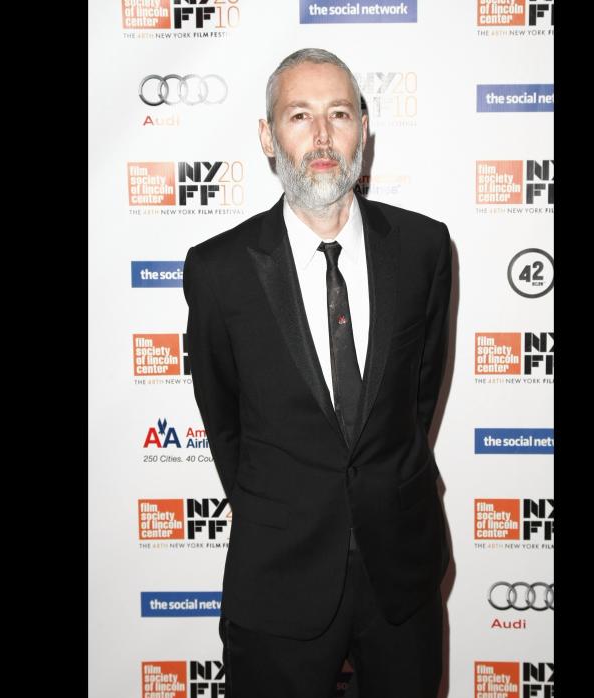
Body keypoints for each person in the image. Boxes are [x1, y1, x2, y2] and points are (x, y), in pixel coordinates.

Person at [183, 47, 452, 698]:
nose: (323, 135)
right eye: (300, 115)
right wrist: (285, 505)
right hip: (279, 572)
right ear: (268, 136)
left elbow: (417, 400)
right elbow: (225, 426)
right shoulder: (219, 271)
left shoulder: (424, 249)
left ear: (364, 128)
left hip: (401, 572)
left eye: (340, 112)